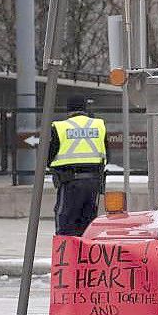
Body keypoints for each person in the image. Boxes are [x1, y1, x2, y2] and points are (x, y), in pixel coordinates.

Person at [48, 97, 107, 236]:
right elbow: (106, 153)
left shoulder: (60, 127)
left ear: (69, 110)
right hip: (94, 182)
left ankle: (66, 255)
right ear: (85, 109)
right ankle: (85, 254)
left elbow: (49, 155)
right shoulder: (98, 125)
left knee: (65, 219)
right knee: (88, 222)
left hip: (70, 182)